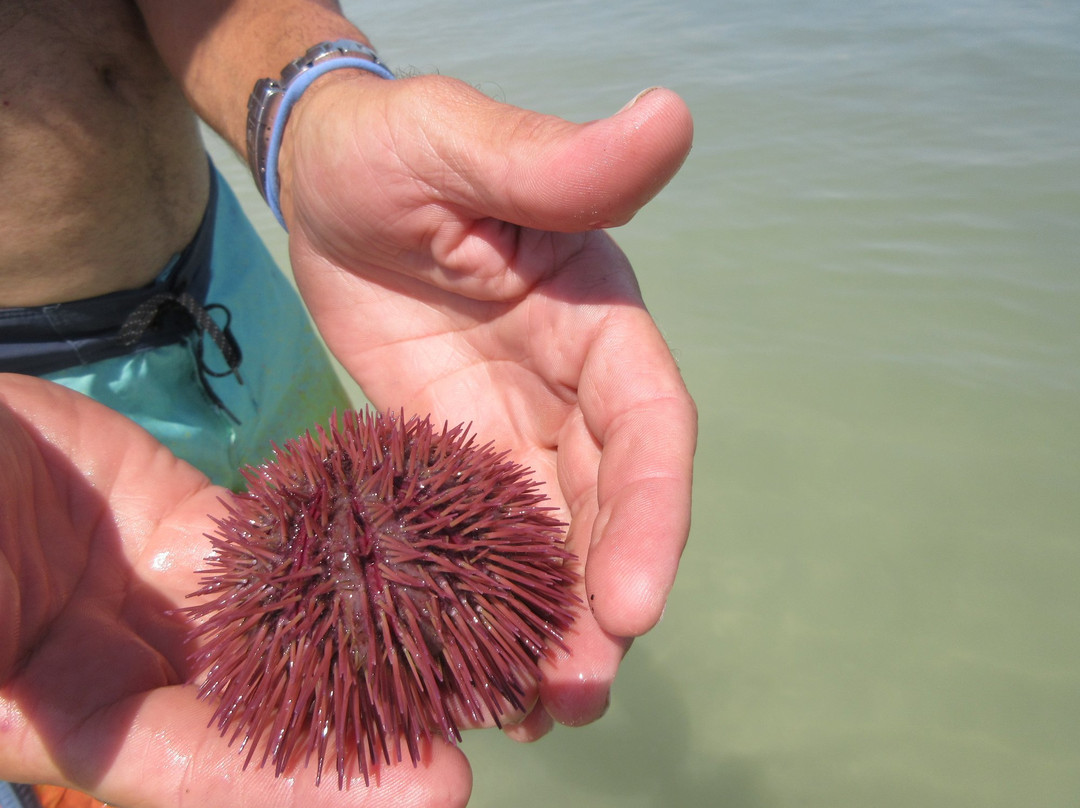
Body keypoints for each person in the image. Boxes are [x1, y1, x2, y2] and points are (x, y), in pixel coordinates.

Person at [0, 1, 696, 806]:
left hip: (222, 280)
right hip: (29, 384)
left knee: (313, 559)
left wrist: (310, 105)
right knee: (111, 709)